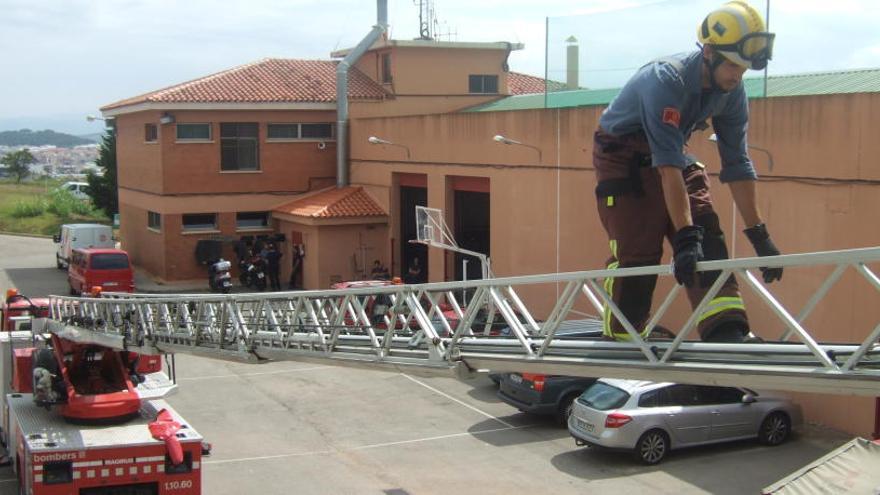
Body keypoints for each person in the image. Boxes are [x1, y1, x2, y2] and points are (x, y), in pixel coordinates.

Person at [592, 1, 782, 343]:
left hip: (670, 153)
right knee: (640, 248)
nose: (737, 76)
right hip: (622, 156)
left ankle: (725, 329)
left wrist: (760, 237)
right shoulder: (666, 80)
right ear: (708, 51)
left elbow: (737, 164)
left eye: (744, 69)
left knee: (706, 232)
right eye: (733, 65)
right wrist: (683, 238)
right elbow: (666, 166)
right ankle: (624, 336)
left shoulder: (731, 92)